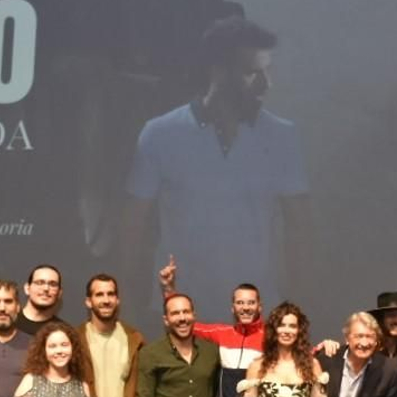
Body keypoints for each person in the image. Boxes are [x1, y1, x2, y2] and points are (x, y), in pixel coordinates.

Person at [123, 16, 312, 310]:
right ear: (218, 70)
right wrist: (131, 308)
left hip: (253, 320)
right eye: (253, 73)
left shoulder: (281, 137)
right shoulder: (160, 134)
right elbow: (133, 228)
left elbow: (299, 229)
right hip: (180, 319)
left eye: (267, 72)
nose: (266, 84)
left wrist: (296, 309)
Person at [159, 259, 264, 397]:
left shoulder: (272, 337)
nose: (245, 307)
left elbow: (301, 352)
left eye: (251, 303)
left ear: (259, 306)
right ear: (233, 308)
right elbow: (184, 323)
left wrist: (327, 346)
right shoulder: (221, 333)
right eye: (240, 303)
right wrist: (169, 289)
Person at [135, 292, 221, 397]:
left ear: (194, 315)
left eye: (186, 312)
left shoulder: (211, 352)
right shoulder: (151, 354)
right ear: (166, 320)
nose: (182, 318)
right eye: (175, 313)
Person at [17, 264, 63, 334]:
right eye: (40, 283)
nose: (46, 288)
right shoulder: (10, 323)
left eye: (52, 284)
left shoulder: (63, 332)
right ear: (27, 289)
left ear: (59, 293)